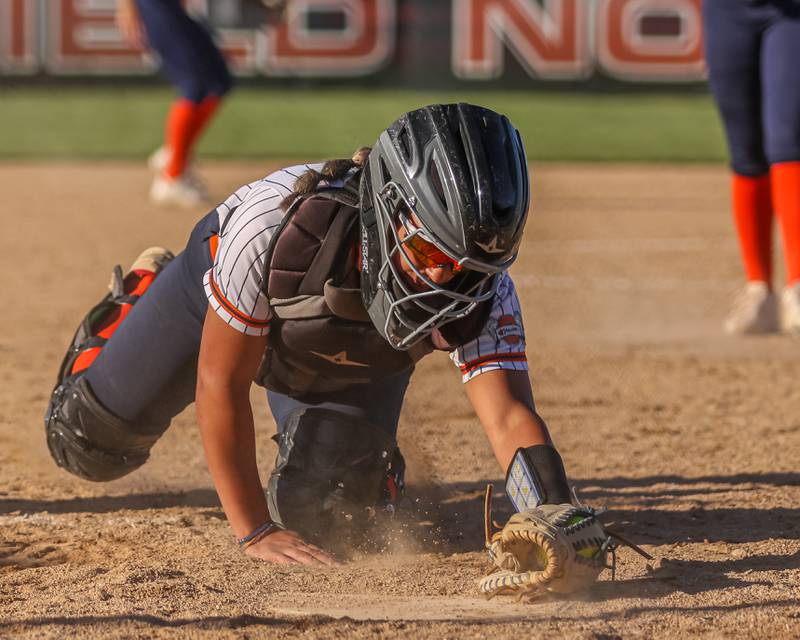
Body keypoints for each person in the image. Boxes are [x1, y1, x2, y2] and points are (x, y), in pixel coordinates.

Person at [44, 104, 576, 566]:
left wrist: (555, 513)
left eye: (466, 266)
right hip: (216, 308)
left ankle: (372, 473)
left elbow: (507, 415)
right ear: (388, 212)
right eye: (429, 253)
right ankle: (140, 293)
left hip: (337, 361)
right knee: (84, 443)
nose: (443, 279)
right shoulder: (276, 225)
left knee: (332, 517)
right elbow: (220, 383)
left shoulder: (483, 288)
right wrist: (253, 530)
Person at [703, 0, 800, 335]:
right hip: (727, 11)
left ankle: (798, 287)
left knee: (787, 140)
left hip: (791, 12)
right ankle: (760, 291)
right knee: (745, 152)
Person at [116, 0, 233, 208]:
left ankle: (174, 152)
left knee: (219, 79)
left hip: (172, 8)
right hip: (153, 6)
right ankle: (172, 177)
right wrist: (126, 5)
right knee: (194, 84)